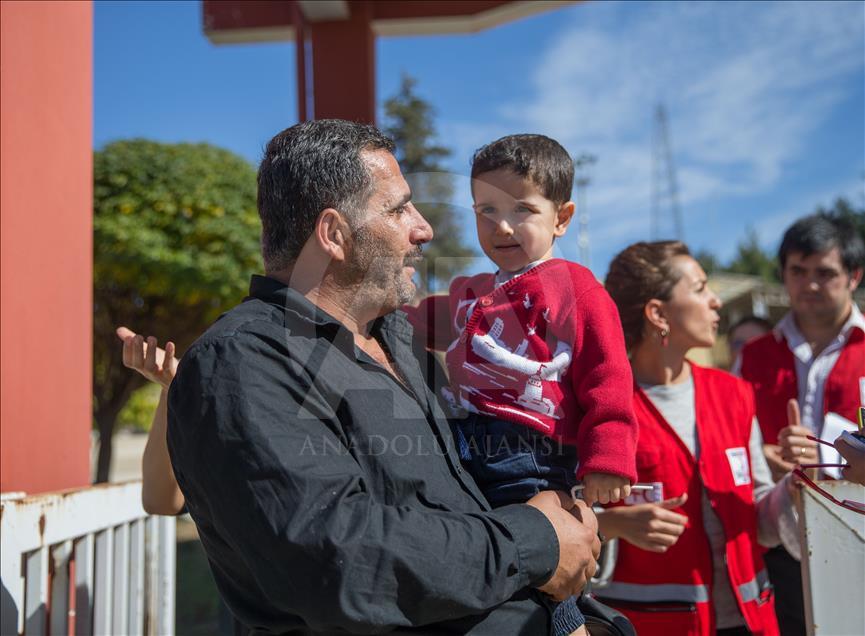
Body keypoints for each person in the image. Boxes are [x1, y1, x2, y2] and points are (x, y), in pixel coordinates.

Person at [149, 119, 599, 635]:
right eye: (399, 208)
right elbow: (339, 561)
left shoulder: (400, 341)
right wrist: (537, 539)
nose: (424, 228)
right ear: (335, 234)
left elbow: (472, 505)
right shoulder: (239, 363)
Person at [405, 134, 638, 635]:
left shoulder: (576, 288)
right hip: (467, 437)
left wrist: (608, 457)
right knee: (485, 548)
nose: (502, 226)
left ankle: (570, 625)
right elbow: (425, 320)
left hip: (531, 452)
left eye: (522, 210)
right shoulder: (474, 292)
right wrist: (378, 313)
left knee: (540, 555)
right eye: (485, 210)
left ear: (562, 217)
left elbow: (608, 375)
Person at [595, 240, 798, 636]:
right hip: (651, 626)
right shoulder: (601, 405)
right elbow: (569, 520)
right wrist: (613, 524)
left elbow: (760, 521)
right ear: (658, 313)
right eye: (701, 287)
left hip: (749, 622)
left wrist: (796, 484)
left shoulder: (734, 394)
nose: (716, 301)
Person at [738, 214, 864, 636]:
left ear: (854, 276)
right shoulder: (752, 356)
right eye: (798, 271)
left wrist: (829, 456)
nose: (810, 284)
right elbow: (734, 441)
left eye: (825, 273)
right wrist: (764, 457)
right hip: (782, 538)